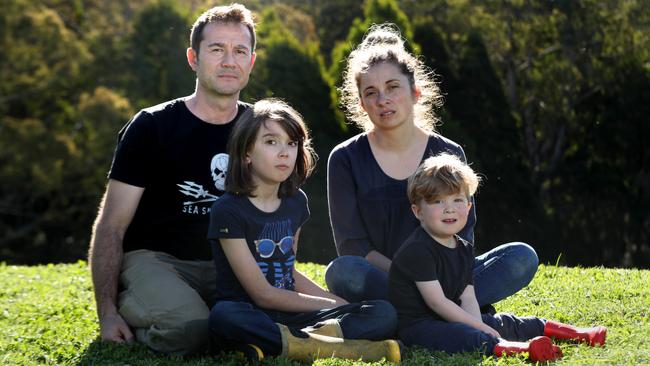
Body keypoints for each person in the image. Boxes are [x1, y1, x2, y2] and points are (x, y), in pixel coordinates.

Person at [325, 23, 539, 311]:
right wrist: (413, 278)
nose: (383, 100)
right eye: (371, 92)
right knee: (343, 272)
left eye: (392, 87)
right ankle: (448, 311)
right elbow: (353, 247)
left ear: (415, 92)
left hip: (446, 276)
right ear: (362, 103)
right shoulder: (344, 158)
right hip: (387, 280)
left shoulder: (448, 152)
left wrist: (437, 283)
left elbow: (462, 236)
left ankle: (423, 313)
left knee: (521, 257)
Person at [88, 4, 256, 354]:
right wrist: (106, 313)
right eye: (216, 49)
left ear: (251, 62)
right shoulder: (151, 126)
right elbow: (112, 225)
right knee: (189, 330)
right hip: (157, 259)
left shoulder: (261, 129)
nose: (229, 60)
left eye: (240, 51)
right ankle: (143, 307)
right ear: (193, 58)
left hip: (230, 261)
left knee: (265, 321)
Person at [207, 98, 401, 363]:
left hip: (293, 316)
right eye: (271, 142)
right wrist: (334, 306)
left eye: (292, 143)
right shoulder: (228, 210)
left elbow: (288, 270)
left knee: (383, 312)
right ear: (247, 152)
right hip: (251, 311)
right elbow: (262, 294)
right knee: (224, 317)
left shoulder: (296, 202)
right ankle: (339, 347)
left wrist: (341, 304)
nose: (284, 152)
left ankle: (289, 343)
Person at [389, 153, 606, 361]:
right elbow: (437, 304)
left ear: (468, 206)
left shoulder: (463, 247)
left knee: (505, 323)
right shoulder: (417, 250)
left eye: (457, 200)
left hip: (452, 315)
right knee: (468, 336)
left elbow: (467, 297)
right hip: (421, 326)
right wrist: (482, 330)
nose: (449, 209)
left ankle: (580, 334)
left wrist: (481, 324)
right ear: (417, 211)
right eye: (438, 202)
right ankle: (523, 349)